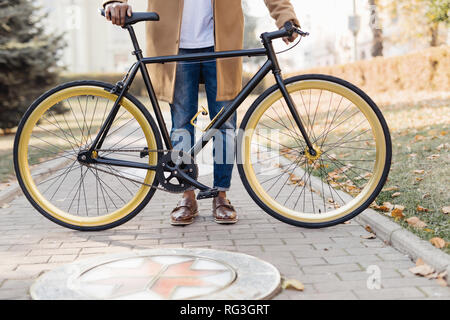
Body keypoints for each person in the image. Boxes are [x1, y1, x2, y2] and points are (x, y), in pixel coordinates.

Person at [103, 0, 300, 226]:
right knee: (181, 123)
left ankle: (220, 195)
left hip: (222, 43)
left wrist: (285, 16)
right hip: (172, 42)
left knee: (225, 125)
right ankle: (186, 195)